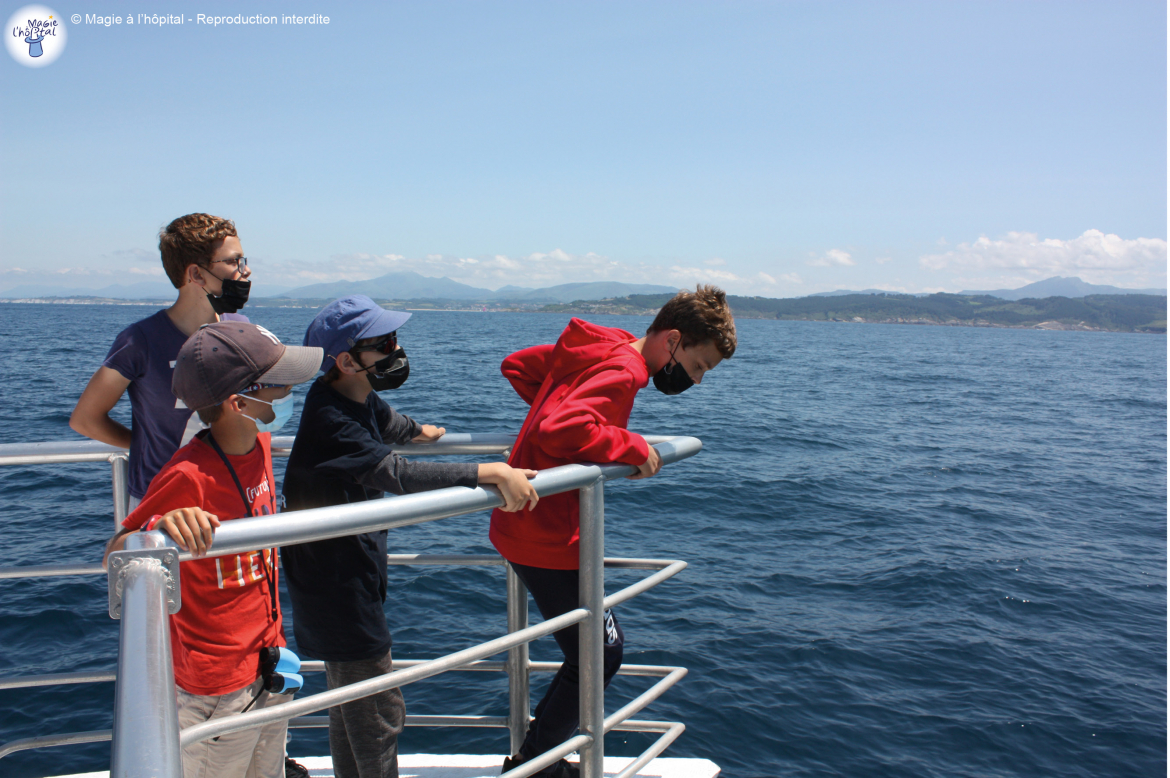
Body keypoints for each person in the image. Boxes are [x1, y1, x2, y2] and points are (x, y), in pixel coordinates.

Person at [280, 295, 540, 778]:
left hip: (332, 571)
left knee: (349, 703)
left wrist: (420, 430)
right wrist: (487, 471)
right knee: (376, 709)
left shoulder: (346, 396)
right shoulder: (331, 420)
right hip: (336, 582)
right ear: (346, 360)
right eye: (383, 344)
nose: (396, 350)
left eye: (395, 338)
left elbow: (387, 421)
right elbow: (393, 473)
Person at [491, 285, 737, 778]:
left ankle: (535, 760)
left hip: (521, 523)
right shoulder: (626, 369)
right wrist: (627, 443)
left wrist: (551, 405)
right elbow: (558, 430)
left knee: (589, 652)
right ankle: (531, 766)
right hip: (548, 532)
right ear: (673, 341)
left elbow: (518, 366)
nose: (697, 380)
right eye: (698, 366)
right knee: (601, 655)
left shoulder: (606, 346)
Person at [103, 320, 323, 778]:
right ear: (239, 402)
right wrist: (161, 526)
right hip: (217, 686)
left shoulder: (258, 443)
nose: (289, 393)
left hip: (269, 659)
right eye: (280, 385)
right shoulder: (188, 475)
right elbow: (117, 552)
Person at [70, 212, 254, 510]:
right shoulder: (141, 340)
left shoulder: (240, 329)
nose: (245, 272)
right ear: (196, 274)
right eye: (234, 262)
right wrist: (144, 445)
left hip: (226, 496)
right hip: (162, 502)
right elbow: (86, 419)